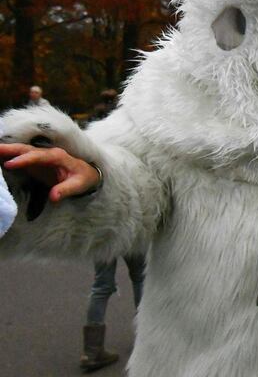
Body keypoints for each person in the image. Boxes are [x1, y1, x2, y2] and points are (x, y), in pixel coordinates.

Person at [79, 89, 146, 373]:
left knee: (101, 286)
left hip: (100, 221)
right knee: (141, 279)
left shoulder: (90, 135)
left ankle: (91, 351)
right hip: (130, 220)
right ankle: (145, 339)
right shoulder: (132, 131)